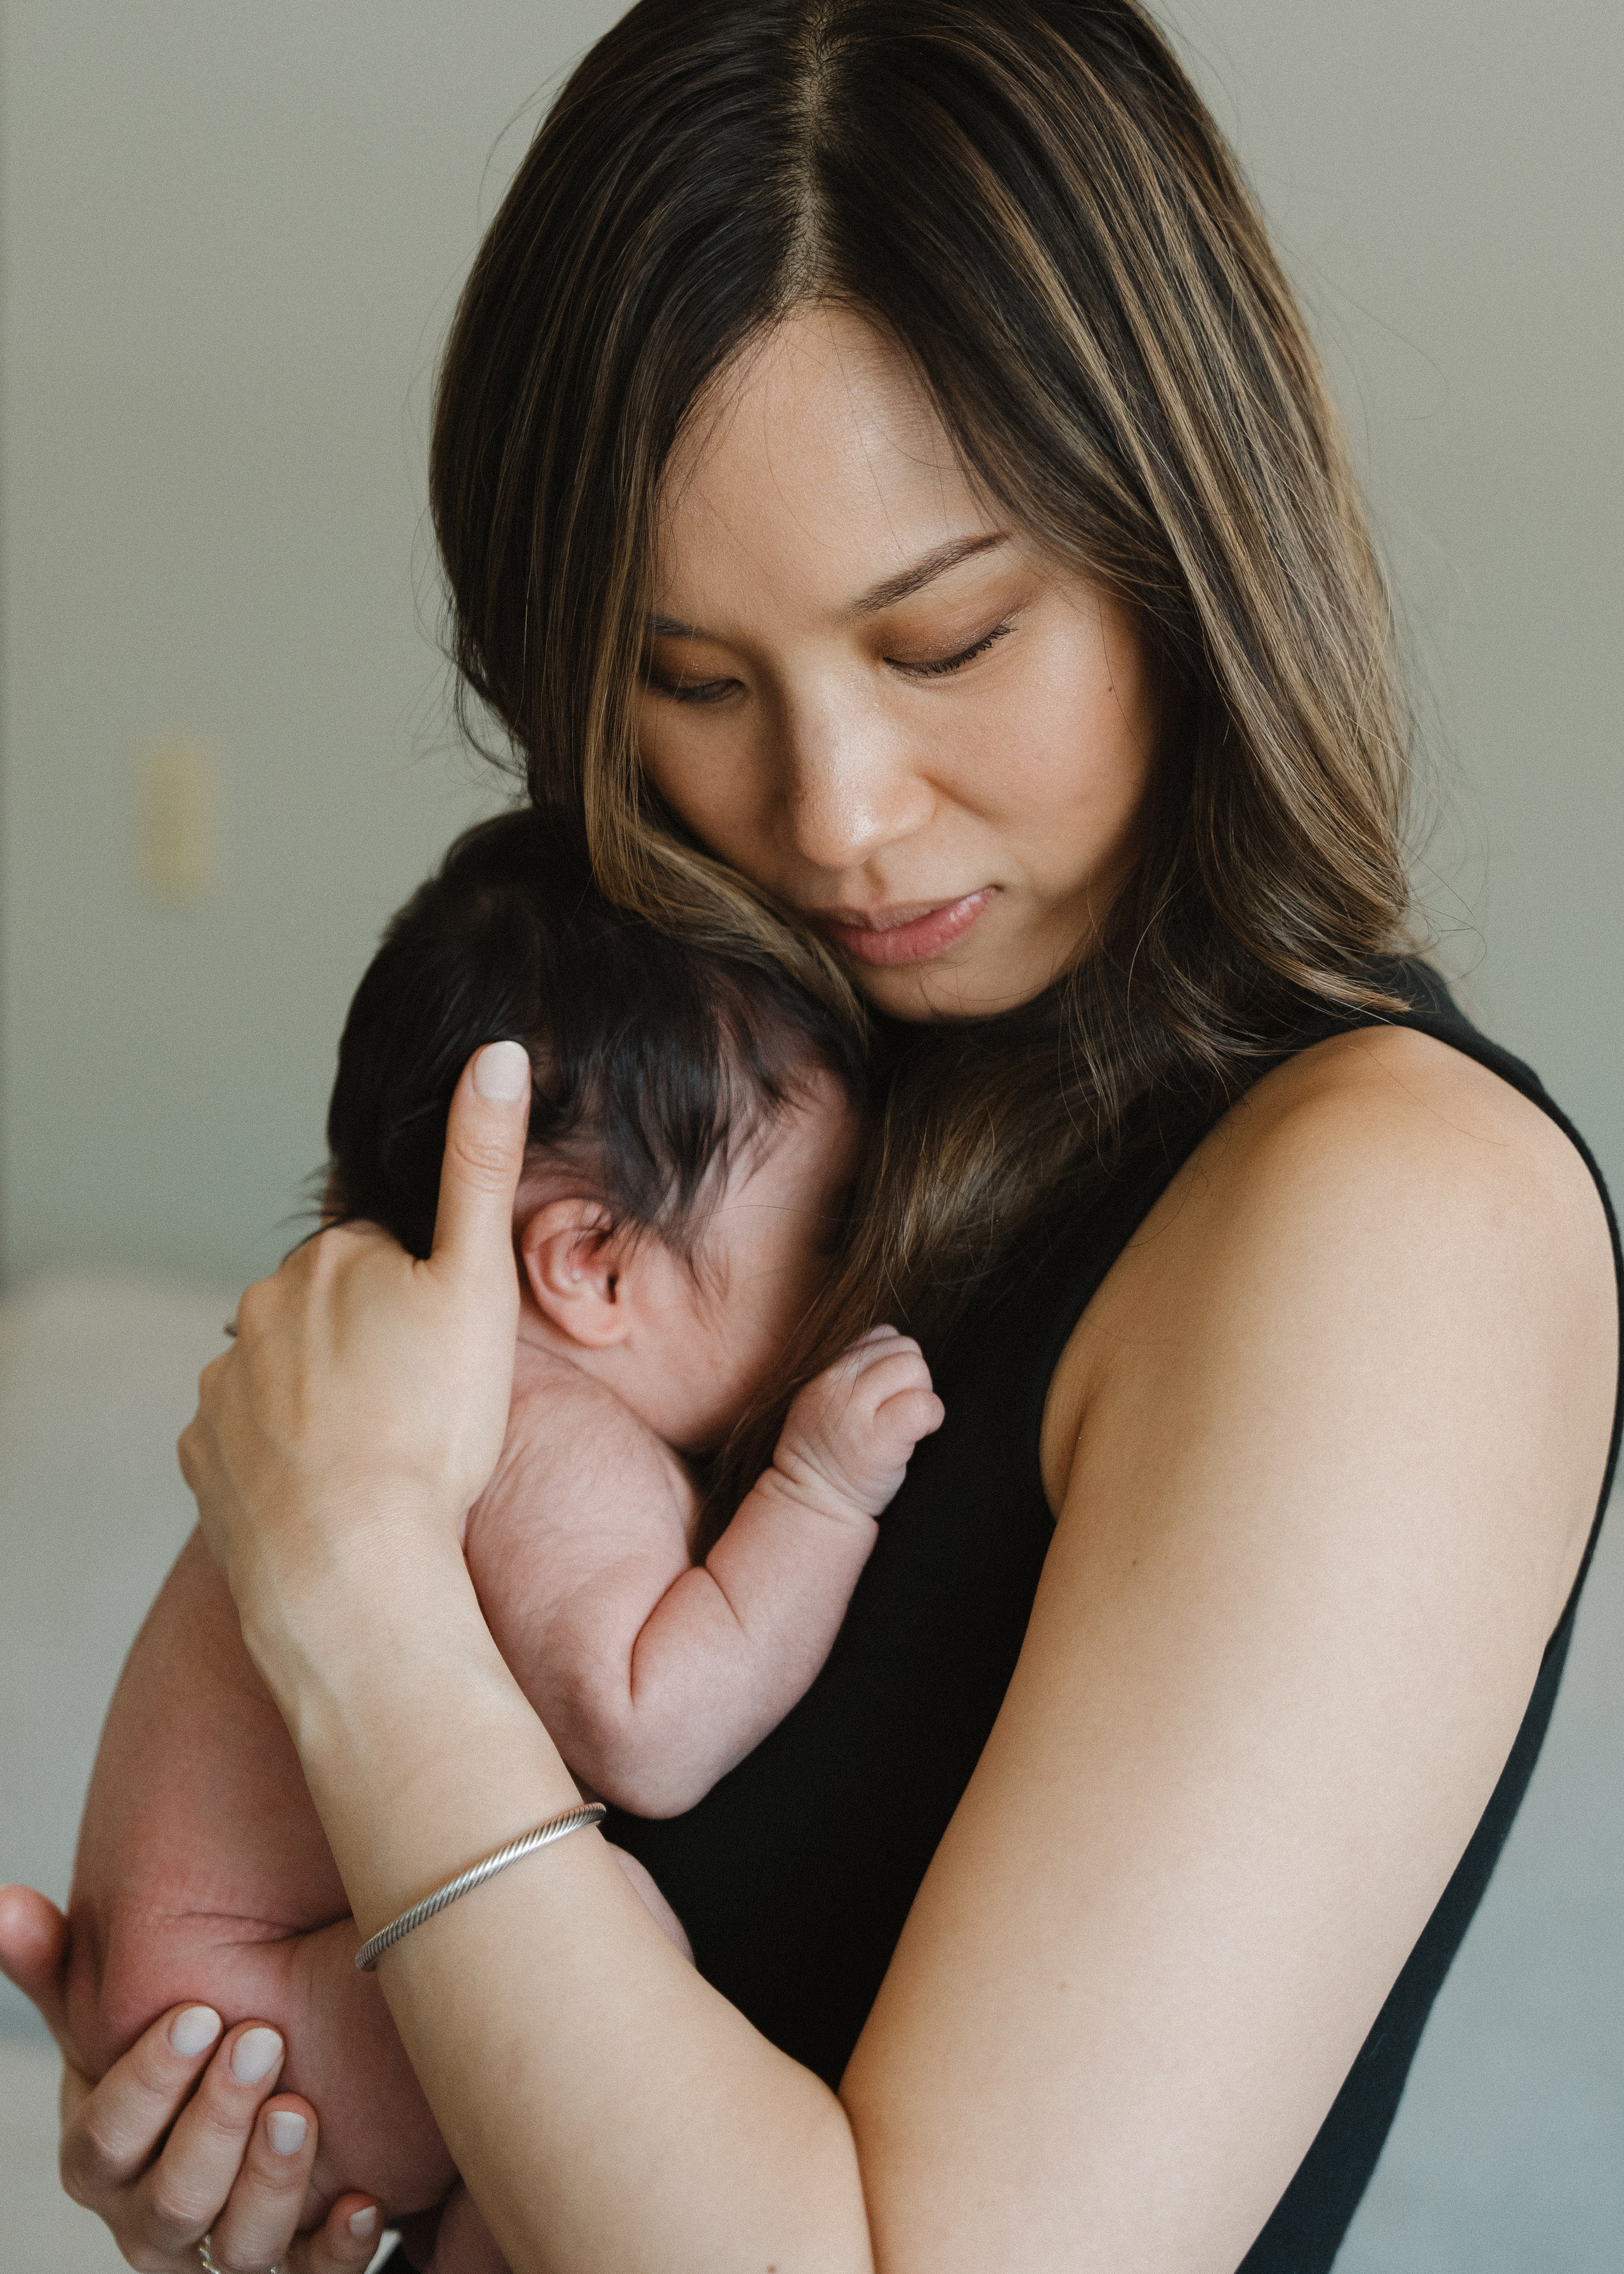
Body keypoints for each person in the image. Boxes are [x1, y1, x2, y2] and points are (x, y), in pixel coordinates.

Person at [1, 2, 1618, 2268]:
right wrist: (286, 2143)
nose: (835, 819)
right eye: (691, 682)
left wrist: (358, 1603)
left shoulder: (1387, 1215)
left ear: (1191, 552)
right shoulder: (765, 1098)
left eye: (947, 638)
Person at [61, 806, 942, 2256]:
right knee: (612, 1967)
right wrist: (820, 1491)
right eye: (829, 1228)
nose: (851, 1275)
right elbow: (649, 1719)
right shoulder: (533, 1425)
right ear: (591, 1263)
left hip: (206, 2001)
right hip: (252, 2013)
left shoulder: (393, 1373)